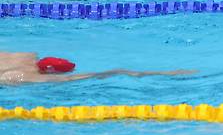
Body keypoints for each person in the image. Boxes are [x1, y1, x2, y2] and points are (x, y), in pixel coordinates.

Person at [0, 52, 194, 85]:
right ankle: (165, 73)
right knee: (116, 72)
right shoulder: (18, 59)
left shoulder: (14, 74)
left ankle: (164, 74)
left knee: (116, 72)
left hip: (18, 74)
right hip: (24, 68)